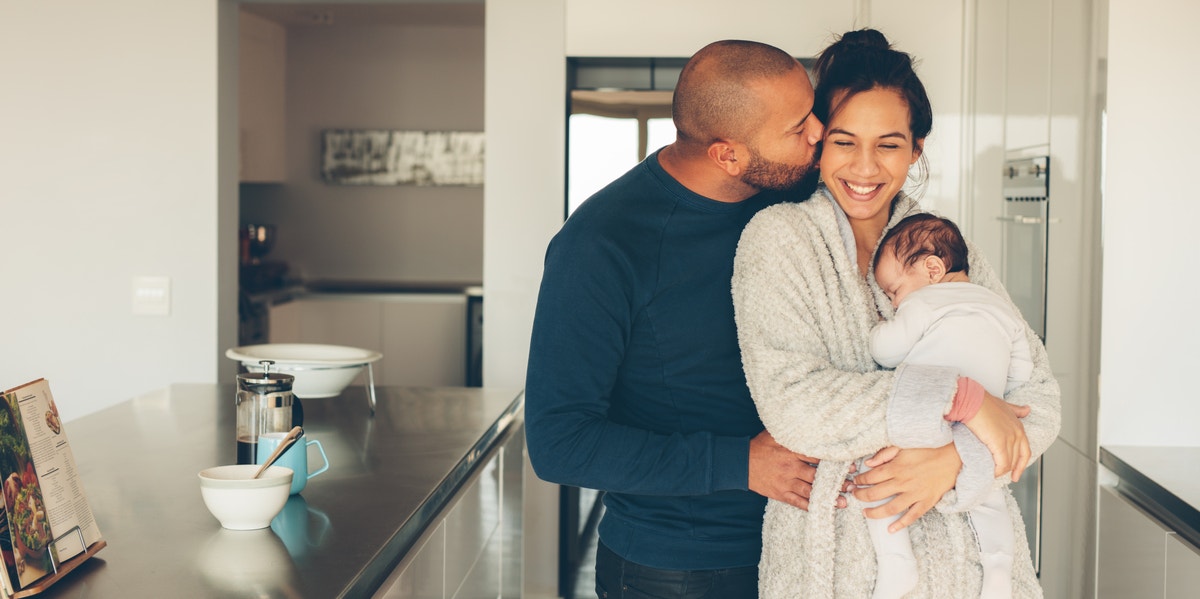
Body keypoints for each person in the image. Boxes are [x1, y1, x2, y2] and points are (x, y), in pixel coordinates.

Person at [732, 29, 1061, 598]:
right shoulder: (779, 240)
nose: (865, 167)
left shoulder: (944, 250)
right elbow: (795, 405)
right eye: (843, 141)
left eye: (888, 143)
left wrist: (954, 460)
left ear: (917, 147)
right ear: (817, 143)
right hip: (836, 565)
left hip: (971, 571)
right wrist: (966, 400)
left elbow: (1040, 403)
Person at [525, 40, 826, 599]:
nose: (818, 133)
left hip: (808, 551)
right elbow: (558, 442)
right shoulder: (599, 245)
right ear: (727, 155)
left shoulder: (787, 194)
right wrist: (741, 463)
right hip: (679, 572)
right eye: (797, 126)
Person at [865, 212, 1035, 599]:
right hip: (980, 424)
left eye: (893, 290)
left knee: (872, 471)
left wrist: (878, 328)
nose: (894, 301)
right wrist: (1000, 400)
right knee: (989, 498)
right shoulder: (1000, 306)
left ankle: (897, 562)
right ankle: (998, 572)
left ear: (932, 268)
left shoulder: (923, 303)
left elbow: (887, 351)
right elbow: (1022, 370)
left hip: (931, 410)